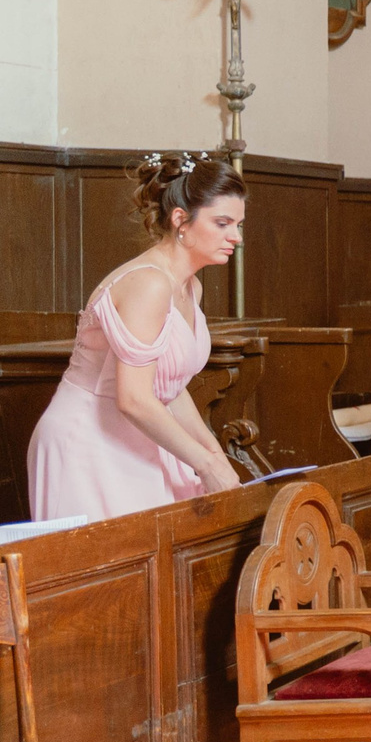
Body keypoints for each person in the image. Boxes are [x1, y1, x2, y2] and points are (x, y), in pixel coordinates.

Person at [27, 153, 244, 520]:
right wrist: (203, 464)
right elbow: (133, 398)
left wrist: (214, 454)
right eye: (222, 223)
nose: (235, 237)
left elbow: (169, 388)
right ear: (181, 220)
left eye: (238, 224)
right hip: (89, 441)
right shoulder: (149, 284)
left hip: (138, 436)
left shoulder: (190, 287)